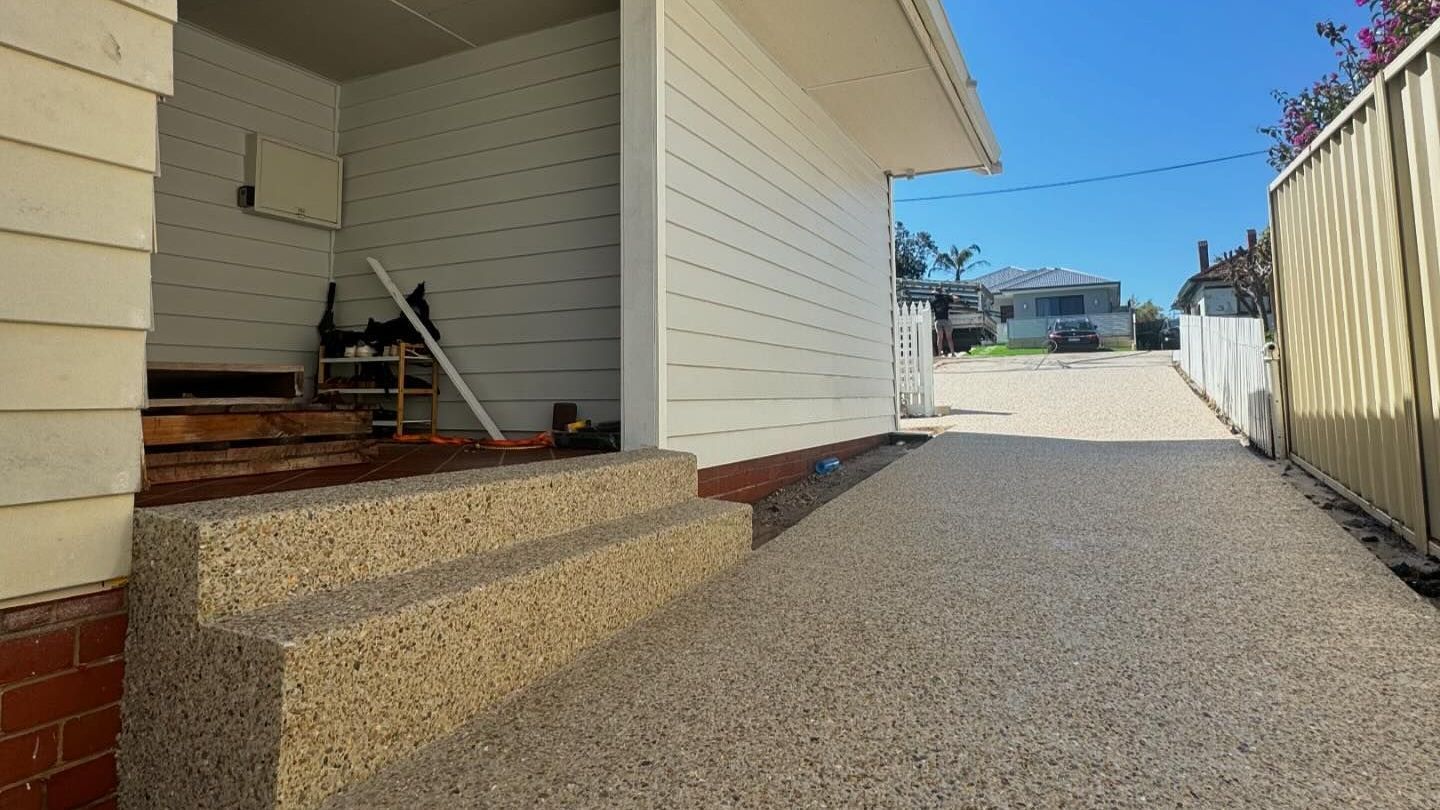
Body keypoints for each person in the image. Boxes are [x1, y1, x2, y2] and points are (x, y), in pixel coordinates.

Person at [931, 289, 957, 357]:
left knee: (940, 338)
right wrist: (951, 295)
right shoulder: (946, 298)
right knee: (949, 338)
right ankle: (952, 353)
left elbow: (929, 308)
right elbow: (956, 299)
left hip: (938, 320)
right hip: (945, 319)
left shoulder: (933, 300)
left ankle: (939, 354)